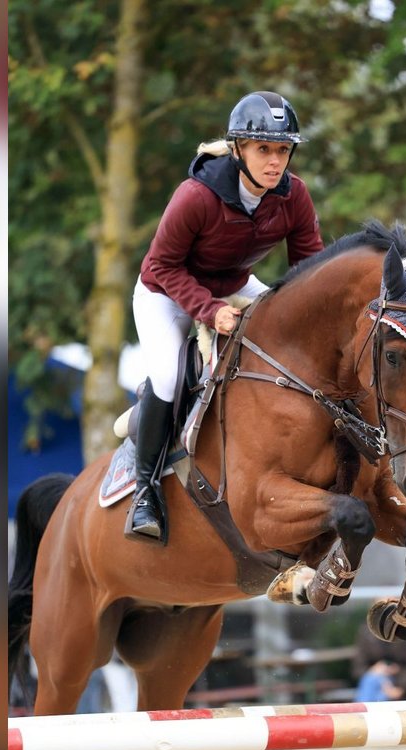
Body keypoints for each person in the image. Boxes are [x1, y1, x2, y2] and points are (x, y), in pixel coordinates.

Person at [126, 90, 325, 544]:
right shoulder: (195, 196)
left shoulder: (293, 196)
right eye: (263, 150)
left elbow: (309, 269)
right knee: (169, 376)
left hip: (233, 284)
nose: (275, 162)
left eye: (282, 150)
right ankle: (146, 492)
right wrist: (210, 310)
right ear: (238, 150)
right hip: (166, 293)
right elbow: (160, 266)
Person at [351, 623, 406, 701]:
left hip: (402, 684)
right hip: (375, 682)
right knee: (371, 680)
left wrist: (401, 688)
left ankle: (362, 710)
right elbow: (358, 668)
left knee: (374, 689)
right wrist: (374, 670)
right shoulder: (367, 630)